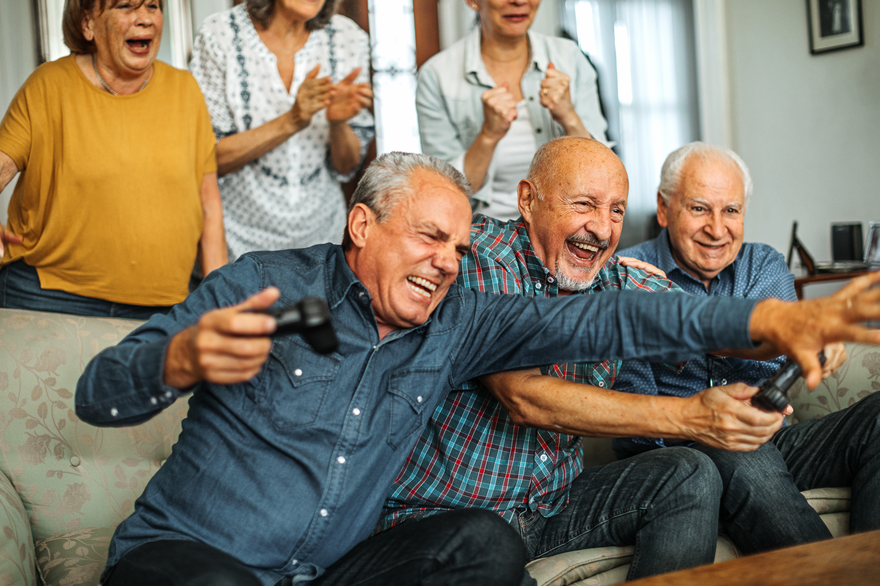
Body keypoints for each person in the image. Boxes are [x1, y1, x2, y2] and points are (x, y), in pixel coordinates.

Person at [75, 152, 880, 586]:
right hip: (189, 558)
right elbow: (98, 390)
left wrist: (773, 317)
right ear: (362, 223)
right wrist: (176, 359)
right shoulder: (267, 289)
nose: (447, 263)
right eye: (428, 238)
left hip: (330, 572)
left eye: (459, 248)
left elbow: (621, 312)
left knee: (487, 545)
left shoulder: (455, 322)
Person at [377, 137, 809, 579]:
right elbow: (525, 398)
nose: (602, 229)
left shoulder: (613, 276)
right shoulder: (481, 257)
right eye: (584, 204)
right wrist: (692, 416)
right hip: (449, 515)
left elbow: (706, 323)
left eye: (616, 211)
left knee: (687, 471)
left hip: (548, 508)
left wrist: (795, 329)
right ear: (528, 200)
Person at [615, 141, 880, 555]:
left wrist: (805, 341)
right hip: (687, 458)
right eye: (700, 208)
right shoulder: (627, 275)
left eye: (731, 211)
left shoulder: (763, 264)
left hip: (778, 443)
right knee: (737, 445)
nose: (718, 229)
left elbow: (779, 352)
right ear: (664, 209)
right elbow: (634, 411)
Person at [0, 0, 226, 318]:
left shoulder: (184, 90)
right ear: (88, 24)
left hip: (163, 305)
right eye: (126, 6)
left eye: (152, 6)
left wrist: (219, 298)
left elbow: (209, 205)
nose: (145, 19)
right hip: (48, 294)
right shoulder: (48, 85)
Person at [189, 0, 374, 261]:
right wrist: (292, 120)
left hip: (322, 241)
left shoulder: (349, 38)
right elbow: (208, 159)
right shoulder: (219, 34)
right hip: (240, 246)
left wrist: (337, 123)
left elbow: (347, 167)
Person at [417, 0, 607, 220]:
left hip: (565, 225)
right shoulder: (437, 76)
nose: (519, 1)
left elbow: (602, 177)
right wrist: (488, 135)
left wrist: (569, 116)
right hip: (481, 233)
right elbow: (446, 193)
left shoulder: (570, 58)